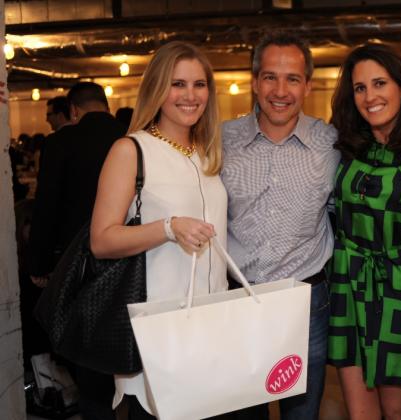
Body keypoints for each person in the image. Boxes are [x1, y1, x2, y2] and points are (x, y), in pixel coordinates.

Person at [90, 41, 227, 419]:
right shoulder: (131, 150)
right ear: (156, 88)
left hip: (213, 326)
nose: (190, 95)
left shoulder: (207, 153)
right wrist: (168, 228)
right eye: (177, 84)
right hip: (160, 330)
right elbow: (101, 240)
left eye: (199, 85)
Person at [221, 31, 337, 420]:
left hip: (306, 302)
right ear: (255, 81)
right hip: (238, 300)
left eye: (292, 79)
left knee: (302, 414)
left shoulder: (331, 143)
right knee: (242, 415)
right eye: (270, 77)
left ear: (308, 85)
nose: (280, 91)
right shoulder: (220, 141)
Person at [327, 43, 401, 420]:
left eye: (379, 83)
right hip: (349, 280)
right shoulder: (343, 143)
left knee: (398, 413)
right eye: (360, 87)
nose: (369, 96)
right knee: (361, 415)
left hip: (400, 285)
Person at [27, 82, 125, 419]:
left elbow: (47, 207)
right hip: (133, 257)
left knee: (90, 359)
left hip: (80, 263)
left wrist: (39, 263)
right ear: (106, 104)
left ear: (73, 110)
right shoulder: (133, 136)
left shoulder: (61, 142)